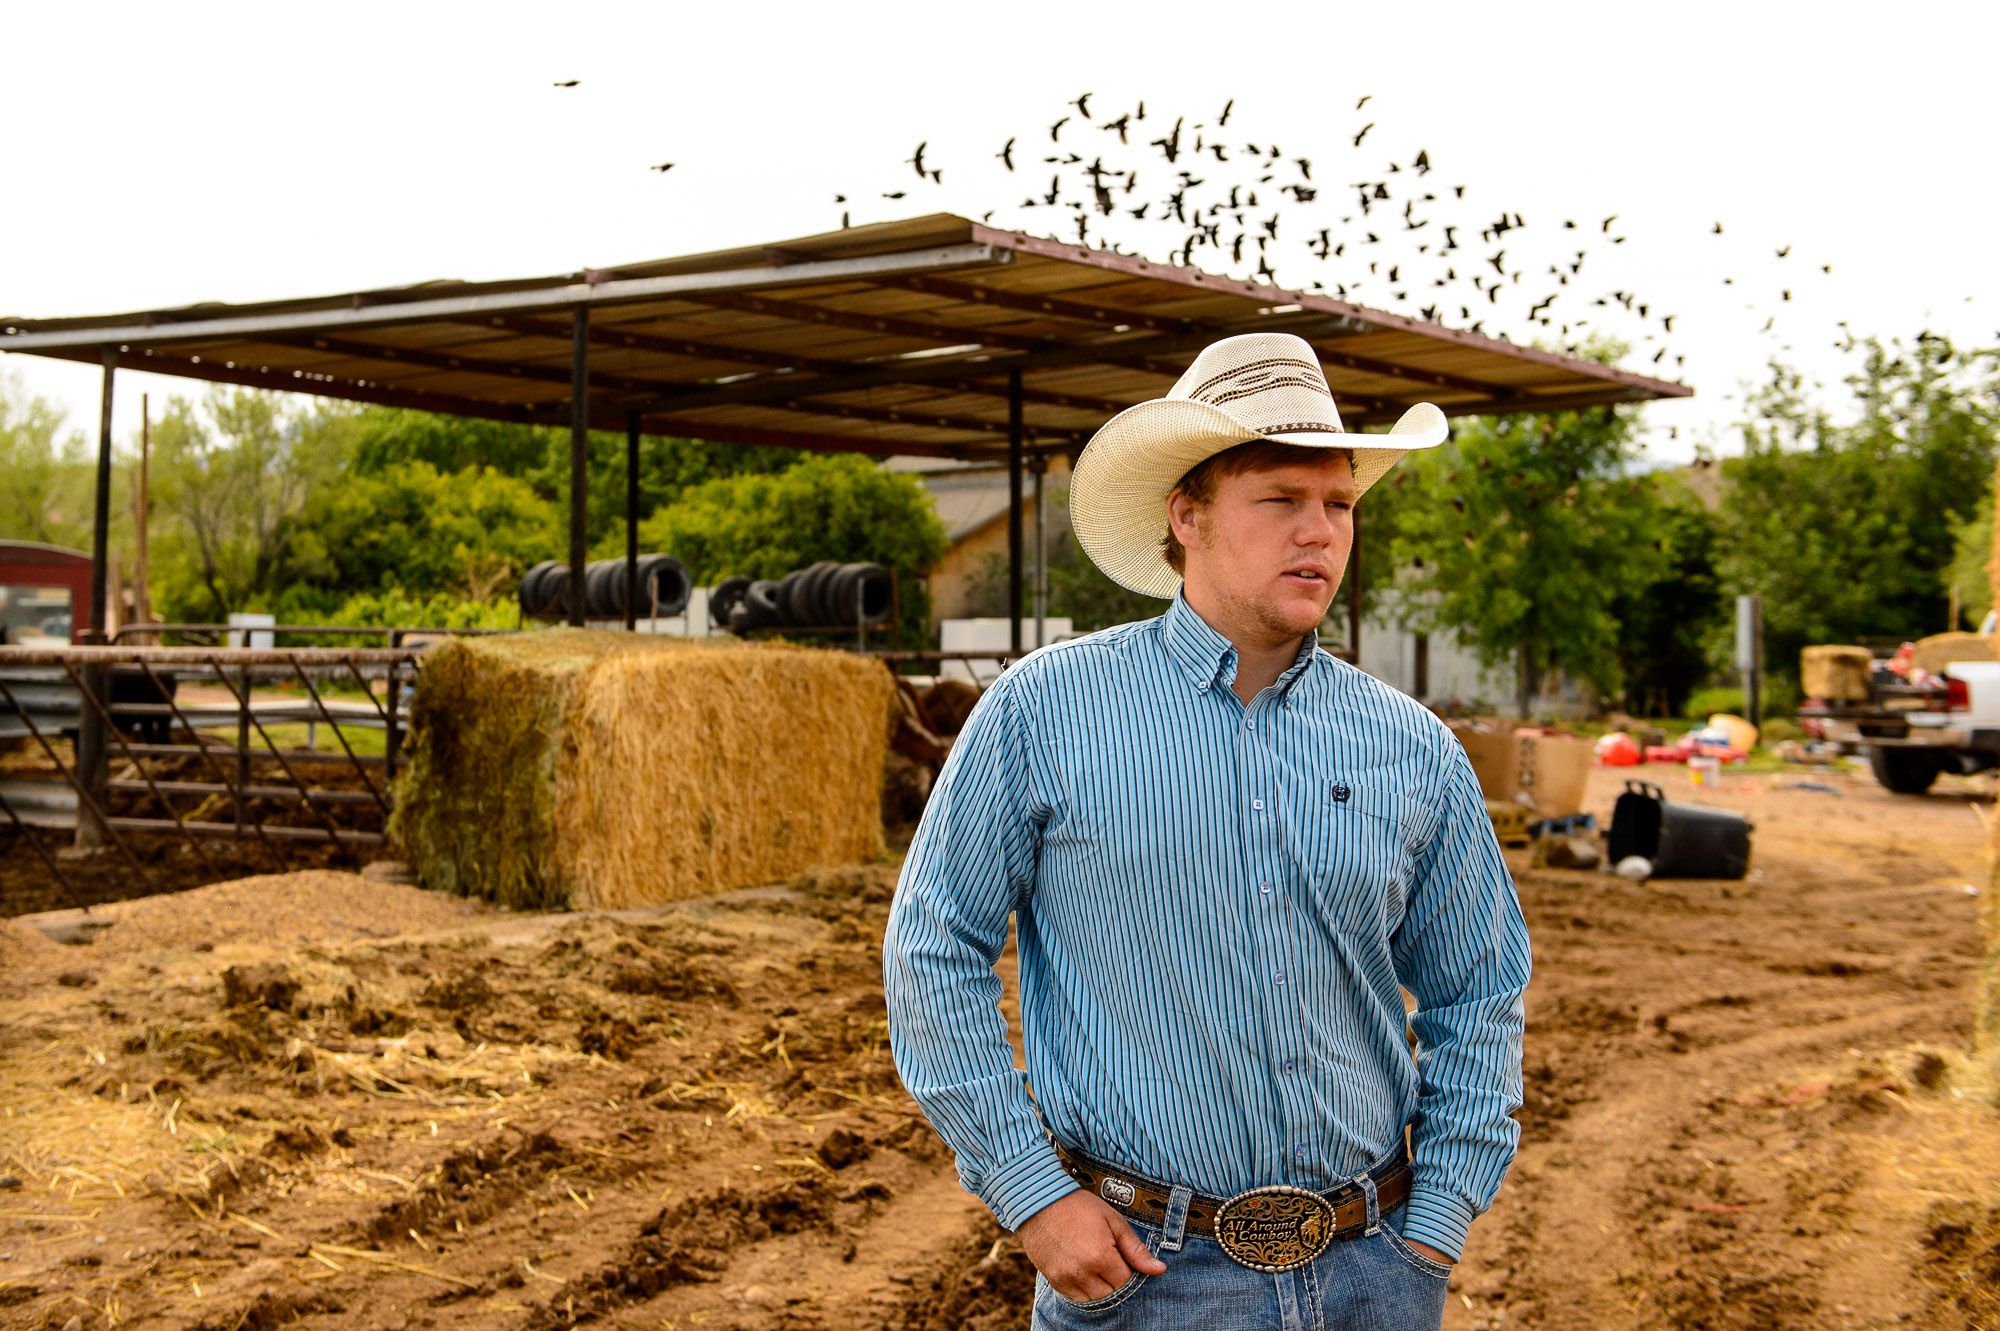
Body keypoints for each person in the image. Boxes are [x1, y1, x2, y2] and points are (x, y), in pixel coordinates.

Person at [883, 332, 1530, 1329]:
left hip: (1375, 1271)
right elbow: (931, 947)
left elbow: (1479, 982)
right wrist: (1031, 1192)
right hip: (1143, 1274)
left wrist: (1437, 1215)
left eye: (1338, 504)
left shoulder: (1411, 746)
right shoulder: (1043, 711)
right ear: (1185, 514)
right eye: (1279, 498)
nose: (1317, 530)